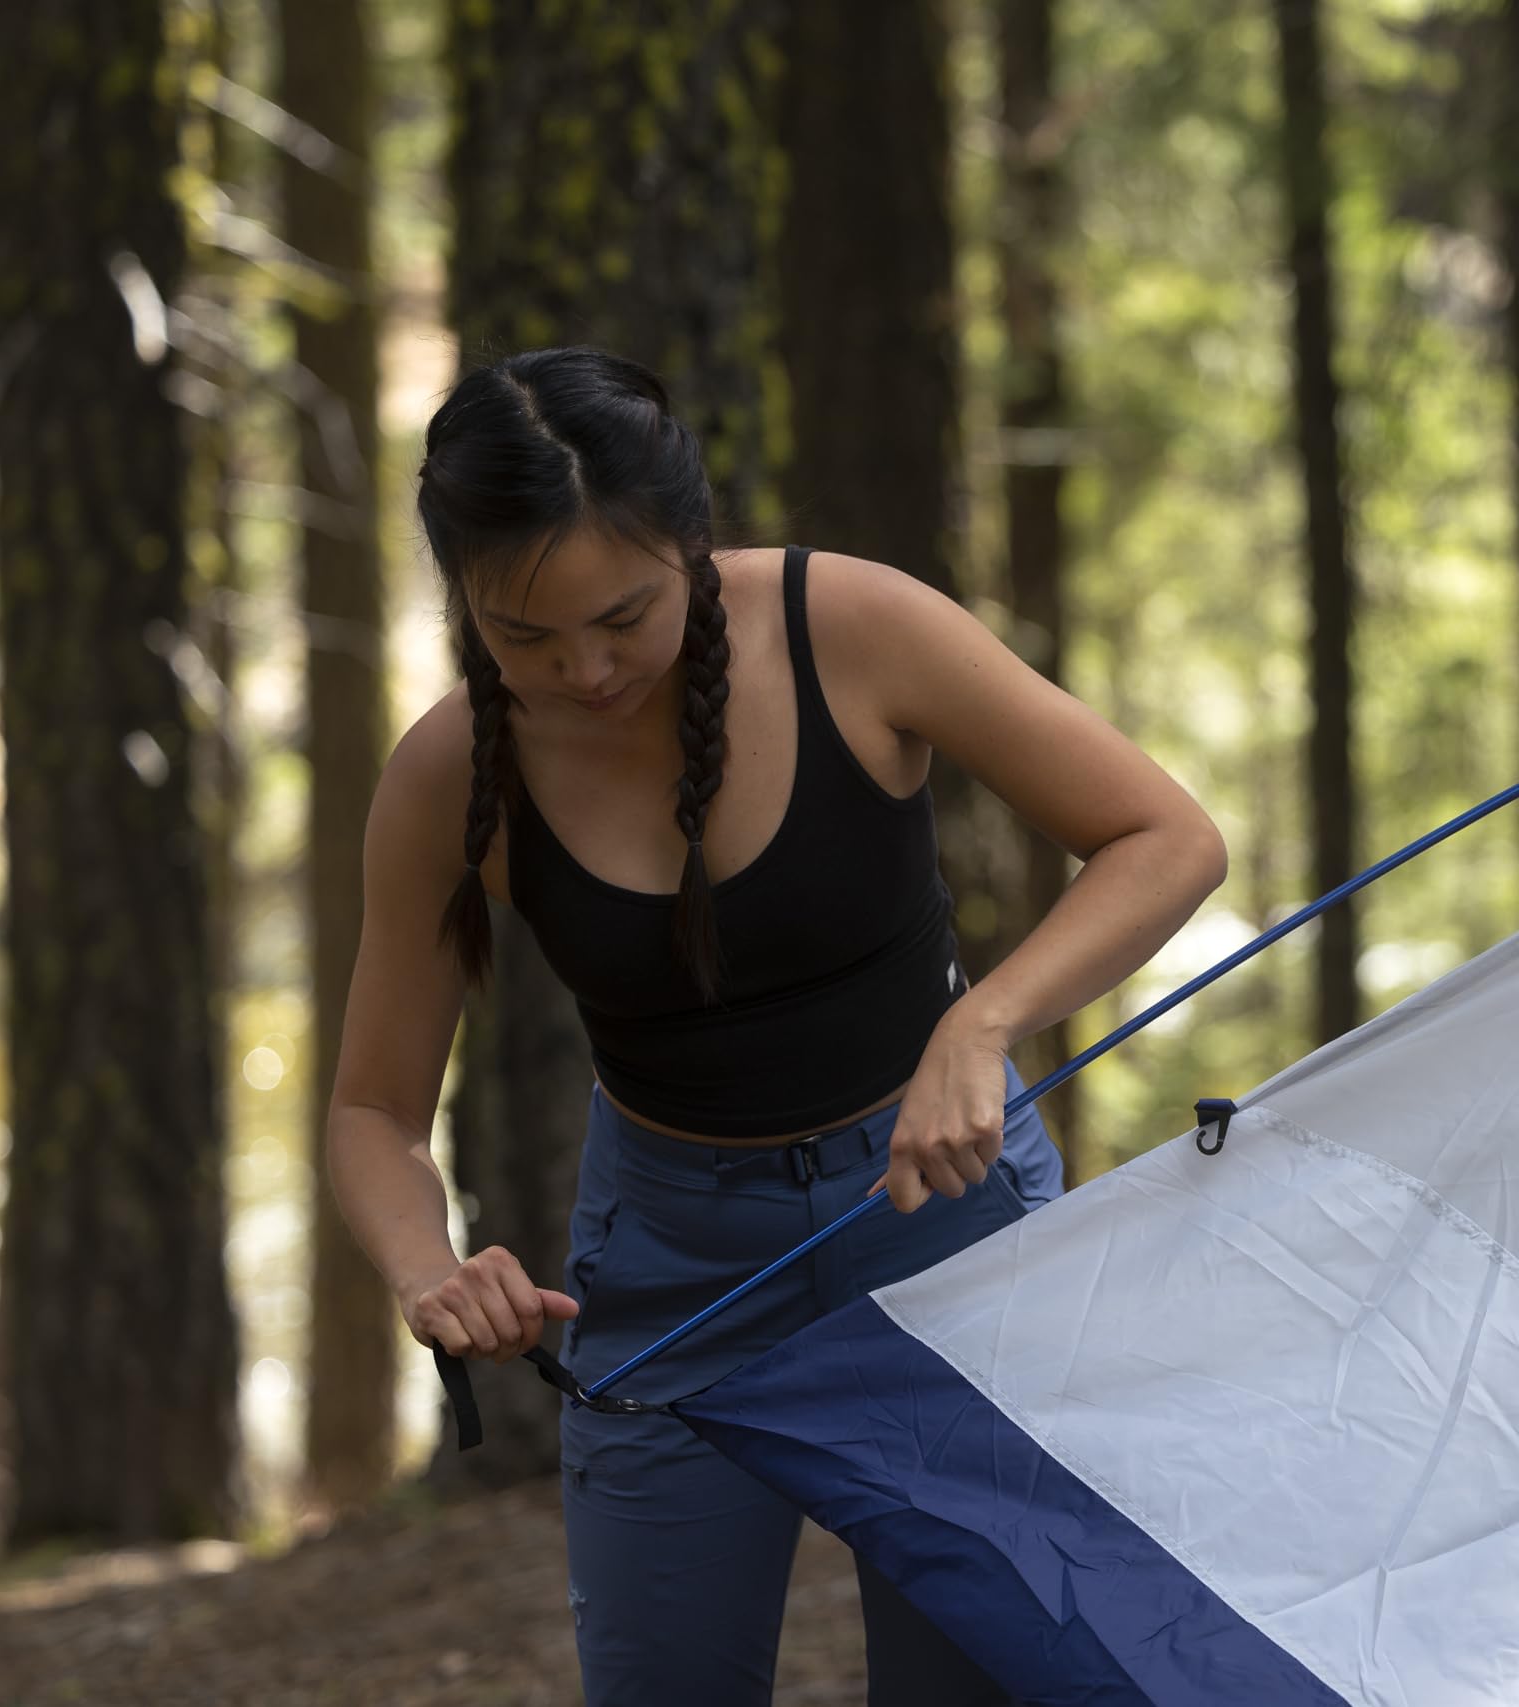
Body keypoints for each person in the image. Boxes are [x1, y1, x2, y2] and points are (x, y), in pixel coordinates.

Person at [321, 345, 1227, 1706]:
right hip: (674, 1262)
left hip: (948, 1224)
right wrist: (422, 1270)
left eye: (623, 617)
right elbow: (373, 1111)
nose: (582, 670)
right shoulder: (450, 773)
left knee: (975, 1678)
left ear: (692, 542)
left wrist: (981, 1025)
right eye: (524, 637)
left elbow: (1167, 837)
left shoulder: (850, 628)